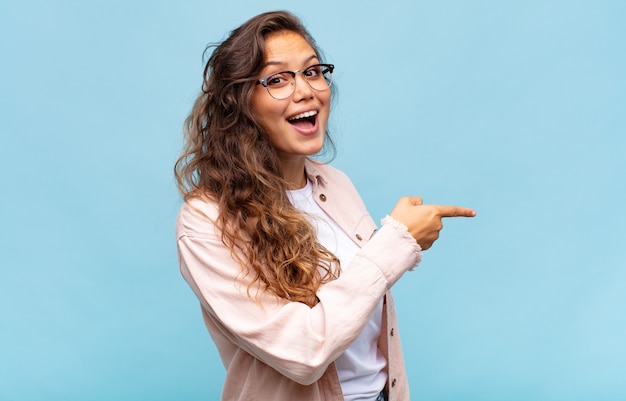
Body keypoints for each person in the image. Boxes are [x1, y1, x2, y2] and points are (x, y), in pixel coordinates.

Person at [174, 10, 475, 401]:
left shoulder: (335, 184)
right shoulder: (206, 221)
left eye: (313, 71)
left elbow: (362, 302)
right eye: (278, 79)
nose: (305, 91)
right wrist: (398, 242)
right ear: (240, 103)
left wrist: (404, 240)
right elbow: (303, 351)